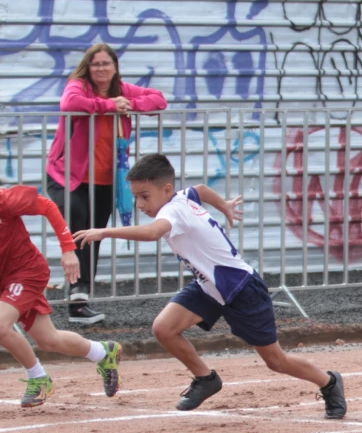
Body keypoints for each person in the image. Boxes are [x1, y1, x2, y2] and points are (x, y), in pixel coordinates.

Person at [72, 154, 346, 417]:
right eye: (135, 197)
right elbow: (201, 189)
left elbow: (154, 233)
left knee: (276, 362)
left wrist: (104, 231)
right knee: (164, 329)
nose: (140, 204)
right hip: (209, 285)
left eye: (144, 196)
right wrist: (224, 205)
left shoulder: (172, 209)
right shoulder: (181, 196)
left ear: (166, 189)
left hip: (241, 288)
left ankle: (328, 382)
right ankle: (206, 378)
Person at [0, 164, 122, 407]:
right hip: (4, 283)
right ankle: (103, 352)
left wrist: (68, 249)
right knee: (49, 340)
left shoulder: (3, 200)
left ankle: (39, 379)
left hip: (28, 272)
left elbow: (47, 206)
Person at [46, 43, 167, 324]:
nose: (100, 69)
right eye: (95, 64)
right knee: (76, 221)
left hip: (104, 178)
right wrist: (107, 106)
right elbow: (69, 104)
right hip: (67, 174)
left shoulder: (122, 90)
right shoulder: (79, 86)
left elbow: (159, 100)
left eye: (106, 64)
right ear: (88, 67)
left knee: (93, 234)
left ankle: (79, 301)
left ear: (115, 68)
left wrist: (128, 104)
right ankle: (77, 290)